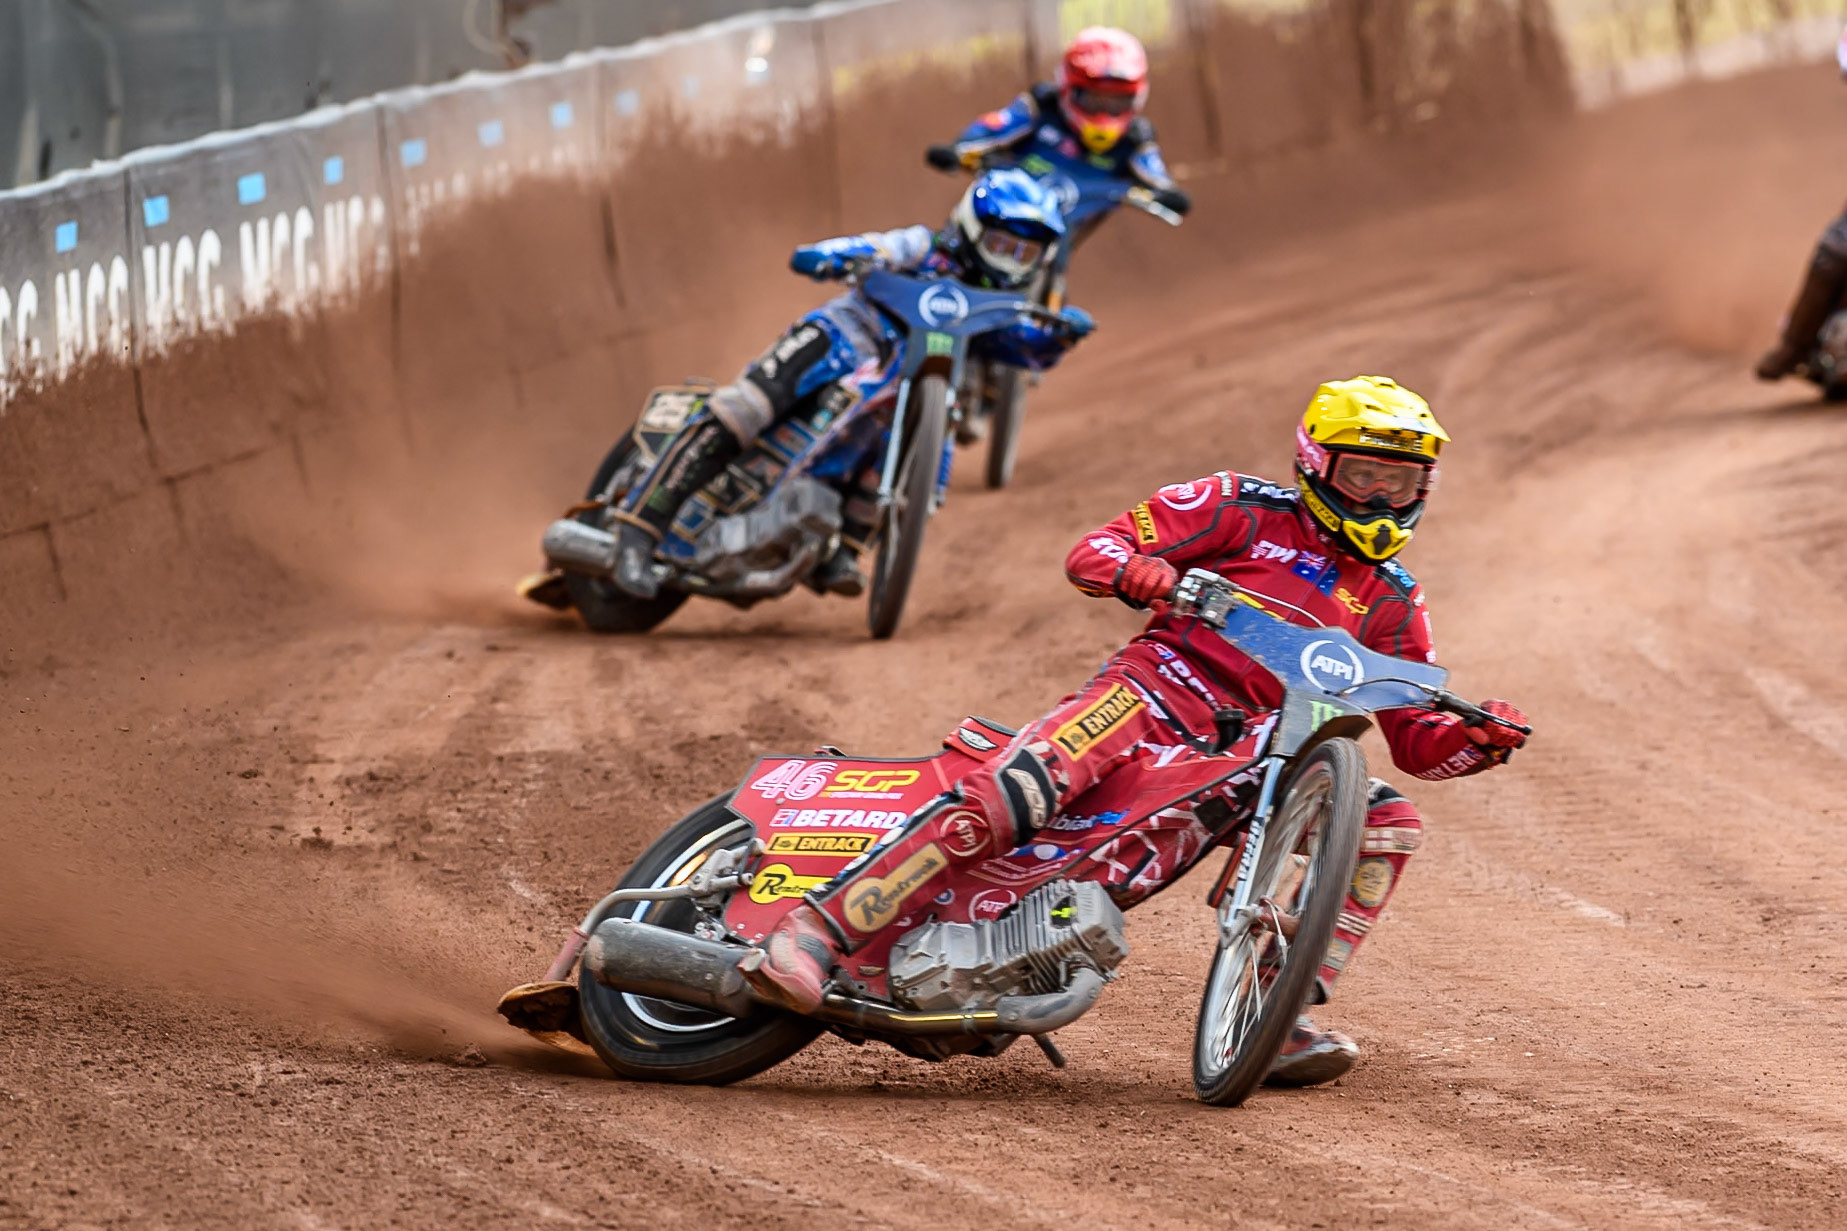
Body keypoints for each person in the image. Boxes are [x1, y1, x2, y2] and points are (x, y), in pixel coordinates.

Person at [739, 375, 1532, 1087]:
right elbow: (1097, 548)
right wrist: (1135, 569)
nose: (1381, 497)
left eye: (1401, 482)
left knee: (1386, 820)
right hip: (1150, 692)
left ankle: (1276, 1006)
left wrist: (1480, 741)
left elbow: (1417, 739)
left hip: (1254, 749)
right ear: (1317, 465)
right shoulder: (1241, 505)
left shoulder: (1396, 601)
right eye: (1364, 475)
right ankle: (815, 930)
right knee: (1019, 789)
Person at [607, 167, 1094, 601]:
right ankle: (637, 532)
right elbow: (878, 247)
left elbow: (1025, 348)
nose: (1008, 260)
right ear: (970, 227)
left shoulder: (995, 306)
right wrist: (831, 255)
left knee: (922, 443)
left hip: (904, 382)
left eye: (1023, 251)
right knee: (747, 408)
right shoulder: (922, 246)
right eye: (1000, 244)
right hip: (844, 336)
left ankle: (848, 546)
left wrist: (1059, 336)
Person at [926, 26, 1190, 219]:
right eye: (1095, 99)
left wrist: (1167, 194)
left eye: (1117, 102)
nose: (1105, 112)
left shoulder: (1136, 138)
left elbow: (1158, 179)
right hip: (1001, 207)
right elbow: (991, 129)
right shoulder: (1041, 106)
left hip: (1058, 231)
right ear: (1068, 87)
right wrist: (958, 148)